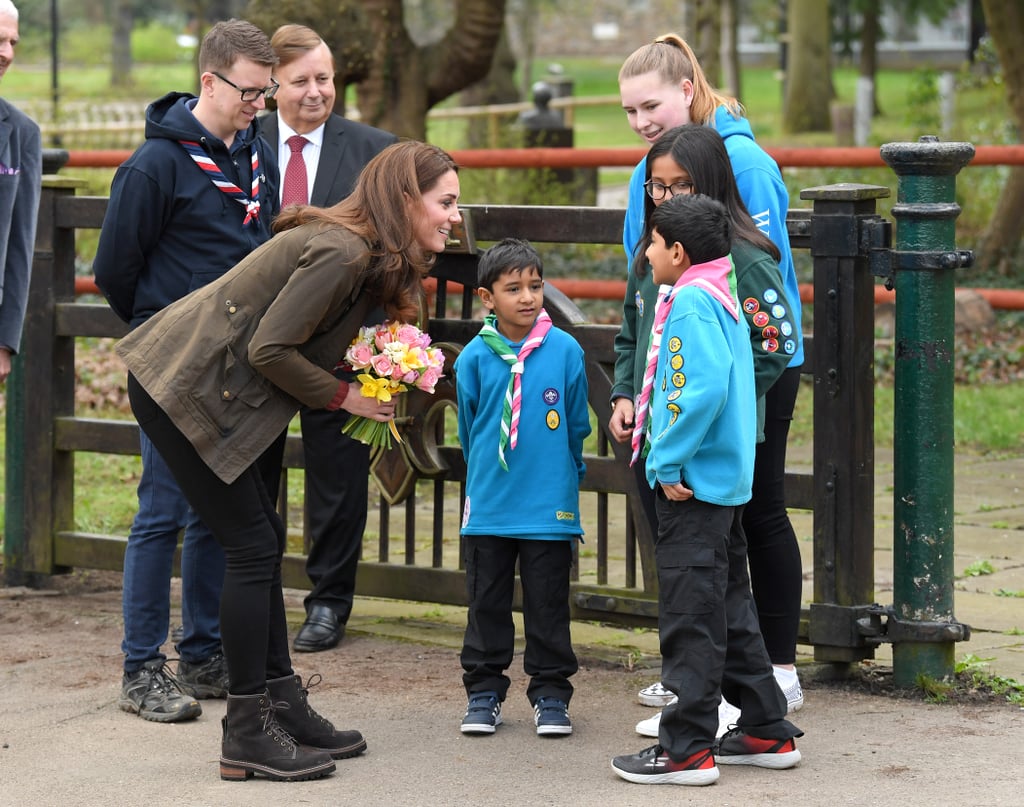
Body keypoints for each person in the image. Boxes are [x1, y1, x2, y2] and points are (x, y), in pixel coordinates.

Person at [113, 140, 461, 781]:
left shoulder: (367, 255)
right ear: (407, 199)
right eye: (445, 203)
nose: (453, 218)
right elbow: (271, 350)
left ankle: (282, 701)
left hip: (228, 394)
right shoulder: (342, 250)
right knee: (249, 545)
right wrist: (345, 394)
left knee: (262, 537)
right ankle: (245, 734)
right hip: (181, 387)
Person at [93, 19, 280, 723]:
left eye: (265, 95)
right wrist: (164, 333)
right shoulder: (154, 167)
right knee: (163, 511)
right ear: (210, 81)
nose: (258, 106)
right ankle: (142, 666)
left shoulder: (254, 154)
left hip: (238, 368)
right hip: (174, 366)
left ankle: (203, 653)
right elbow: (115, 270)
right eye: (250, 93)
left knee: (217, 515)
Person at [613, 32, 805, 713]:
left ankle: (772, 670)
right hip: (679, 377)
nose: (640, 123)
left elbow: (765, 293)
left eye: (651, 106)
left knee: (755, 514)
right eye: (630, 111)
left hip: (740, 374)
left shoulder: (743, 165)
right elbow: (644, 283)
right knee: (700, 535)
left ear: (686, 91)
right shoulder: (654, 168)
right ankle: (720, 676)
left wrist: (726, 395)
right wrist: (633, 385)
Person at [610, 193, 802, 786]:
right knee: (728, 604)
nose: (644, 252)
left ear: (677, 250)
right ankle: (765, 728)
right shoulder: (717, 290)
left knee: (690, 615)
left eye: (652, 242)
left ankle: (687, 747)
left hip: (691, 483)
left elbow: (696, 394)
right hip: (723, 481)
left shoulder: (691, 303)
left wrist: (666, 463)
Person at [261, 23, 398, 654]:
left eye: (325, 79)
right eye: (301, 82)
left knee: (338, 480)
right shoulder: (244, 143)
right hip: (260, 341)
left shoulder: (375, 151)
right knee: (251, 471)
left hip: (345, 341)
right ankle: (255, 595)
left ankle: (328, 604)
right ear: (271, 87)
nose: (316, 92)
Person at [455, 238, 590, 738]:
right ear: (488, 297)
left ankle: (552, 694)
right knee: (485, 601)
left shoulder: (565, 350)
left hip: (548, 503)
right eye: (513, 288)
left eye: (535, 285)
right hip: (491, 503)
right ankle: (484, 691)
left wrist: (564, 476)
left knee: (548, 602)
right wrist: (484, 481)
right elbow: (470, 428)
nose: (528, 297)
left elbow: (577, 422)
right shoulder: (473, 358)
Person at [0, 0, 41, 385]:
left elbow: (19, 244)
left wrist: (5, 342)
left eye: (13, 42)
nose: (6, 53)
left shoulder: (22, 134)